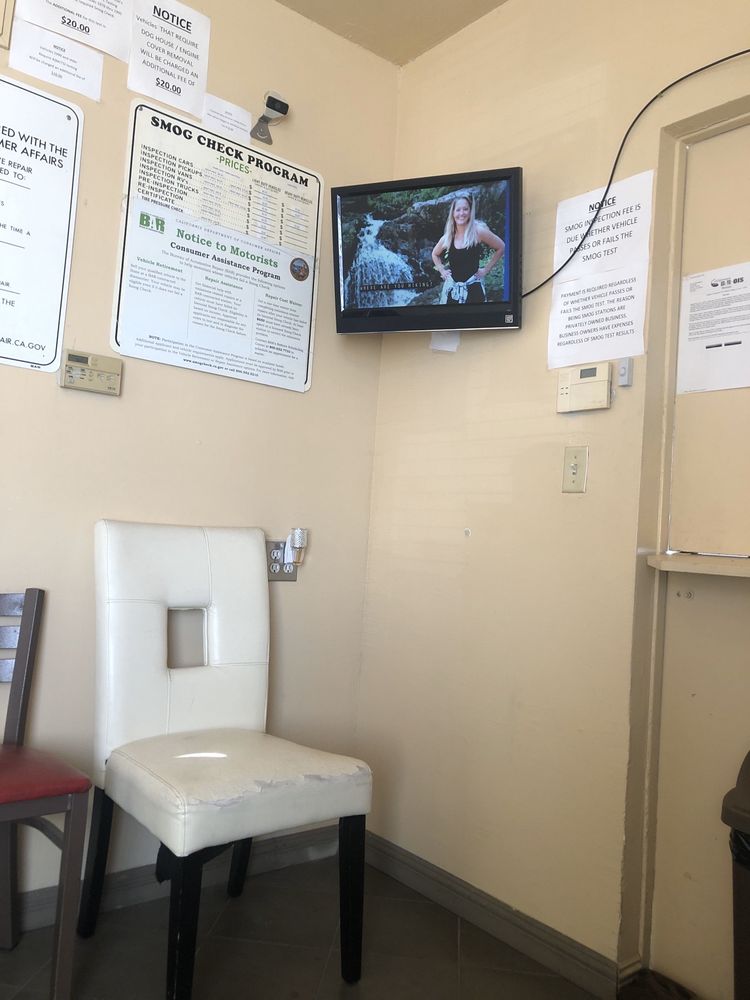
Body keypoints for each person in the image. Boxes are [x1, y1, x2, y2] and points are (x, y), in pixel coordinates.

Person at [431, 193, 505, 304]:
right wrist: (442, 270)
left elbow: (501, 247)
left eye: (465, 209)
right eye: (458, 210)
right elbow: (435, 254)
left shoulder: (478, 232)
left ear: (470, 212)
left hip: (474, 291)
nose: (461, 213)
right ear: (453, 213)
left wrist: (486, 270)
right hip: (453, 292)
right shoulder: (448, 236)